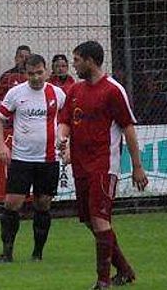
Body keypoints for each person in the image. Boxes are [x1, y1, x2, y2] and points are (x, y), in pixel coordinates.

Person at [56, 41, 148, 288]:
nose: (73, 65)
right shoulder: (75, 91)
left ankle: (103, 281)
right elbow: (65, 120)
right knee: (89, 221)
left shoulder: (113, 90)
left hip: (103, 165)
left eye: (76, 60)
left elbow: (128, 128)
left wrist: (137, 166)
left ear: (90, 60)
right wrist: (61, 138)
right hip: (79, 164)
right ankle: (126, 271)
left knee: (99, 219)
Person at [0, 54, 66, 263]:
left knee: (43, 204)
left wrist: (65, 142)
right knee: (12, 203)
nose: (35, 78)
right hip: (22, 159)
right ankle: (7, 252)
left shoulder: (57, 94)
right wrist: (1, 145)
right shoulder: (15, 93)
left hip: (48, 159)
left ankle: (37, 253)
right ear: (25, 74)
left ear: (47, 72)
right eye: (31, 74)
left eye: (39, 73)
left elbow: (67, 121)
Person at [0, 45, 32, 111]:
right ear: (16, 58)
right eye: (21, 57)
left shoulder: (33, 76)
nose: (24, 59)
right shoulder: (7, 76)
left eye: (27, 57)